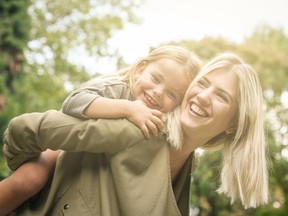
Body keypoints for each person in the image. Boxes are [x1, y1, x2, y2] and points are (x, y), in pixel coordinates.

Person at [2, 52, 269, 216]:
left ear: (233, 124)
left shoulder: (188, 167)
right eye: (203, 84)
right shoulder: (138, 127)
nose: (203, 97)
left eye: (221, 96)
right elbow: (26, 129)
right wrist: (34, 174)